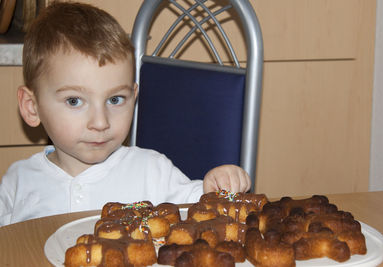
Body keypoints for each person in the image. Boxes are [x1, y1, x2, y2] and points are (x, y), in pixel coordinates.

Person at [0, 2, 251, 226]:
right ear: (32, 107)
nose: (100, 122)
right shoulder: (18, 181)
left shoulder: (151, 171)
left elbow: (202, 211)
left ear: (134, 96)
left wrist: (217, 187)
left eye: (115, 99)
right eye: (75, 101)